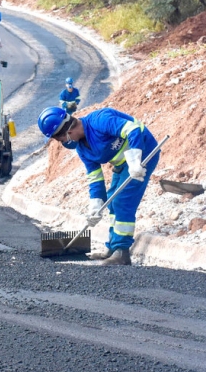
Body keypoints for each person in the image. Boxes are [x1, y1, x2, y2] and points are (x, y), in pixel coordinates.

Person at [38, 106, 159, 266]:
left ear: (67, 132)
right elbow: (95, 177)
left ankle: (122, 252)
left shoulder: (99, 121)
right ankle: (112, 247)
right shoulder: (82, 148)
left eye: (60, 140)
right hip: (122, 163)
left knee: (122, 201)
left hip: (144, 153)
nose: (63, 143)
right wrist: (96, 204)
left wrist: (135, 160)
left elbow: (133, 129)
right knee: (111, 201)